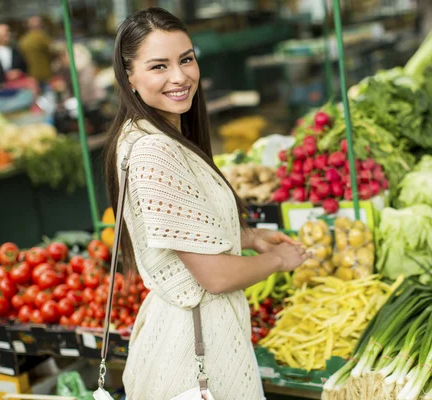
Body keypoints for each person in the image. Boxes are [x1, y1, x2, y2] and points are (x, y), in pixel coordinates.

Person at [103, 8, 310, 399]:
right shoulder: (154, 151)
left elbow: (186, 233)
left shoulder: (152, 135)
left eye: (186, 59)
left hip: (190, 339)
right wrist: (281, 261)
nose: (180, 76)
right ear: (129, 76)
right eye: (158, 66)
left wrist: (248, 237)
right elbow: (215, 277)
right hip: (194, 354)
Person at [19, 16, 52, 89]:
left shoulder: (23, 40)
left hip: (31, 76)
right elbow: (52, 48)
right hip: (45, 74)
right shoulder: (41, 37)